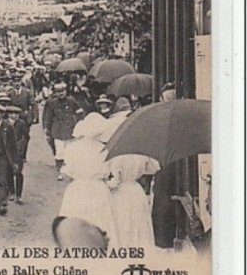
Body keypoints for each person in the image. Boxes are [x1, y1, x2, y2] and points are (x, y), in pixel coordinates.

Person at [58, 113, 119, 246]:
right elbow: (108, 172)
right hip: (98, 189)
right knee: (99, 221)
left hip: (77, 188)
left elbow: (67, 174)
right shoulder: (105, 150)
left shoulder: (71, 148)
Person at [108, 153, 161, 251]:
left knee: (124, 221)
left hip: (121, 192)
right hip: (136, 190)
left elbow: (115, 181)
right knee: (138, 221)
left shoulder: (118, 155)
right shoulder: (141, 152)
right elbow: (153, 168)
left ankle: (125, 248)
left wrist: (107, 184)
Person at [42, 81, 83, 180]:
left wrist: (79, 122)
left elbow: (79, 112)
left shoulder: (71, 101)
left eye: (63, 91)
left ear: (66, 91)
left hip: (70, 129)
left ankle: (71, 171)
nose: (61, 93)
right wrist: (47, 129)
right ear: (55, 93)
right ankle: (61, 171)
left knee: (70, 151)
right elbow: (48, 117)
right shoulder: (52, 103)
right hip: (58, 130)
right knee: (60, 151)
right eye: (58, 91)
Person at [6, 104, 29, 204]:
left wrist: (23, 151)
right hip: (7, 151)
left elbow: (26, 136)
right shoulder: (5, 123)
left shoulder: (21, 124)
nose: (15, 116)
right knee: (8, 172)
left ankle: (19, 195)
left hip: (18, 151)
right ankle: (11, 192)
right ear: (8, 114)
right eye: (12, 114)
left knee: (18, 172)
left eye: (17, 113)